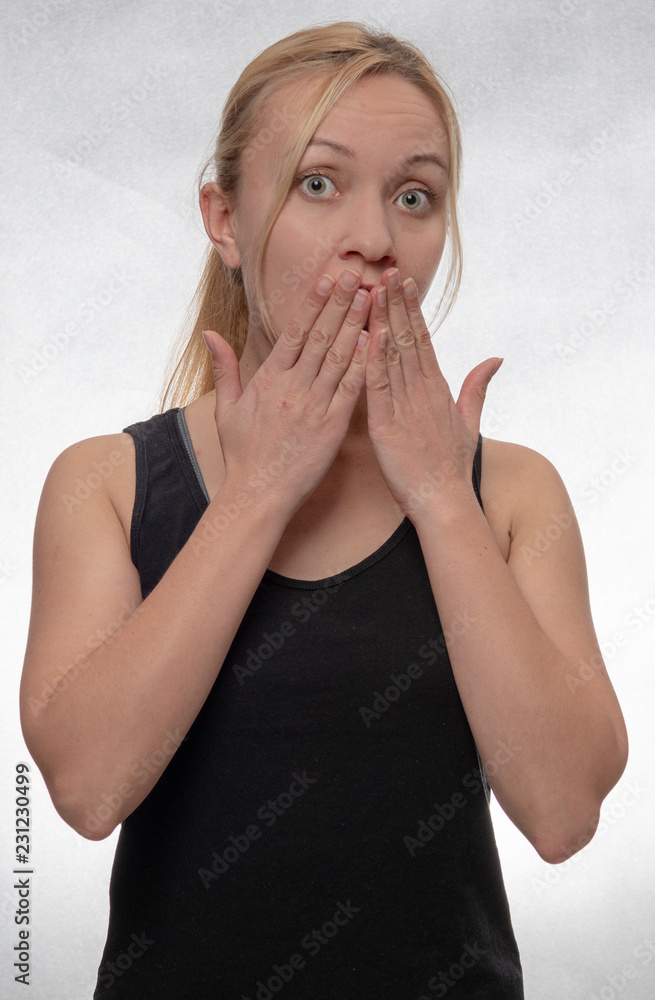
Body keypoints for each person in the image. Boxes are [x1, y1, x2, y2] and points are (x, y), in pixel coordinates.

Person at [20, 20, 628, 999]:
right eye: (317, 182)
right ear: (223, 218)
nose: (376, 240)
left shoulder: (512, 495)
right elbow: (88, 791)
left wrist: (439, 498)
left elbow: (561, 815)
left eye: (414, 195)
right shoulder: (107, 482)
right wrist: (258, 493)